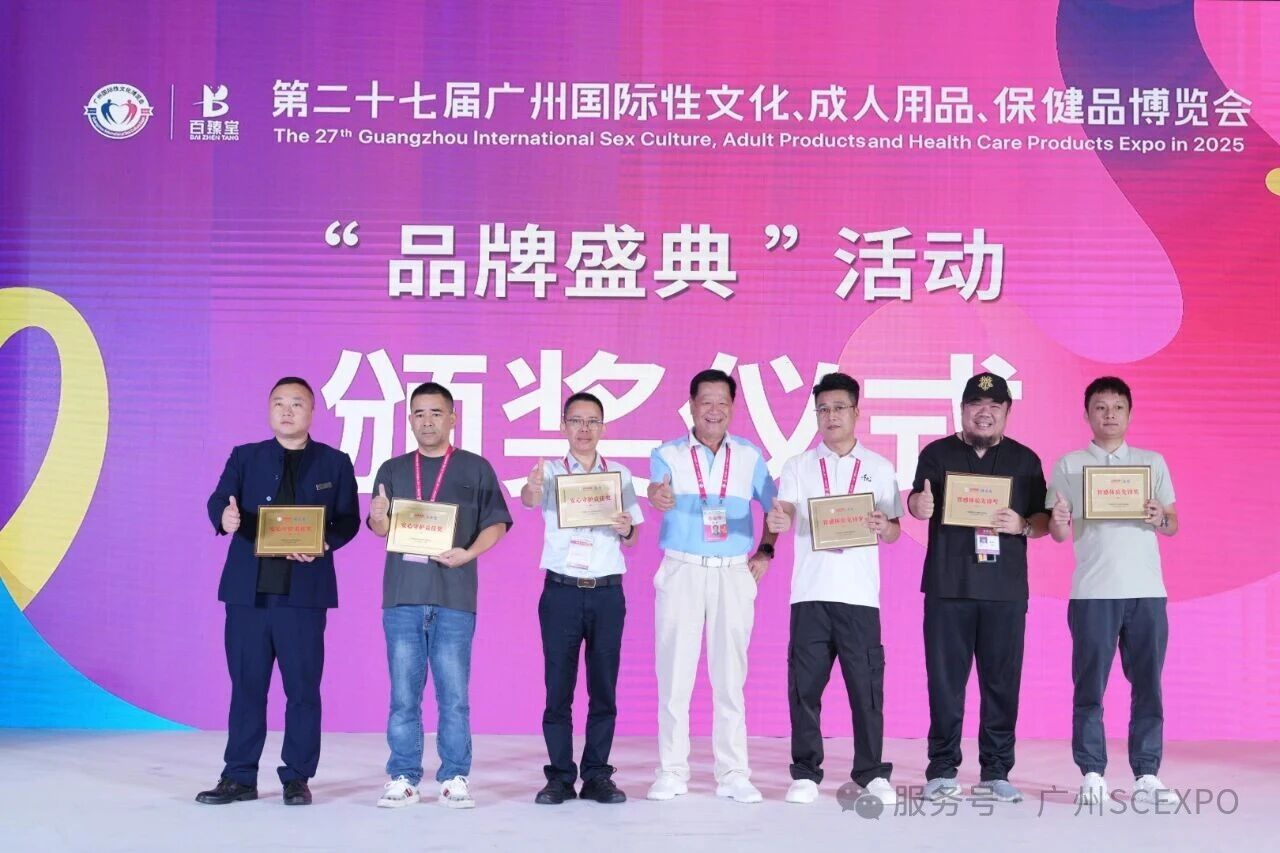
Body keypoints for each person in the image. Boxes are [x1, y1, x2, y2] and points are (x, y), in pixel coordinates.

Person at [196, 376, 360, 807]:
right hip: (249, 595)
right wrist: (224, 518)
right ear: (269, 410)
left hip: (303, 596)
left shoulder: (334, 462)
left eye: (297, 404)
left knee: (302, 689)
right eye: (279, 403)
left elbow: (348, 520)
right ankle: (239, 776)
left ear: (312, 412)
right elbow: (218, 501)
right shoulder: (245, 457)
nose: (287, 411)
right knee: (246, 687)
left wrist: (323, 542)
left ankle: (297, 777)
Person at [367, 382, 512, 810]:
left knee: (454, 697)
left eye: (435, 413)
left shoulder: (475, 467)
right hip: (403, 597)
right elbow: (380, 529)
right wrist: (378, 517)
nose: (427, 421)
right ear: (410, 420)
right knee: (403, 697)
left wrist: (468, 553)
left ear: (452, 418)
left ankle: (454, 776)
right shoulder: (392, 469)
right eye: (419, 413)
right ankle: (403, 776)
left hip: (454, 597)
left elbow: (497, 523)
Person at [907, 372, 1048, 803]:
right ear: (962, 410)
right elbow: (916, 500)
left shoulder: (1025, 460)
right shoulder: (937, 454)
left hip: (1005, 591)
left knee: (1002, 684)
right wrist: (918, 505)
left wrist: (1023, 524)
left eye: (994, 406)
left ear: (1007, 412)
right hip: (949, 587)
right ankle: (942, 769)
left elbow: (1042, 519)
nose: (984, 413)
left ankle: (996, 771)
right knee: (945, 683)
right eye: (975, 405)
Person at [645, 368, 778, 804]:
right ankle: (671, 770)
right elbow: (657, 490)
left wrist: (766, 550)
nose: (714, 410)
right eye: (706, 401)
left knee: (730, 678)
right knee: (674, 675)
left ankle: (734, 772)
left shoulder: (749, 456)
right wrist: (658, 496)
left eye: (723, 402)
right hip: (682, 570)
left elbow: (776, 508)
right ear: (691, 406)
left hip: (732, 572)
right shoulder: (667, 453)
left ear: (733, 407)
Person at [767, 372, 900, 806]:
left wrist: (884, 525)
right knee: (804, 688)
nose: (831, 416)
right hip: (810, 593)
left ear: (856, 412)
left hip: (859, 596)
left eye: (839, 407)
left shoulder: (879, 467)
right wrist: (779, 522)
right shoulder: (798, 465)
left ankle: (871, 772)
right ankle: (806, 773)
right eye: (822, 409)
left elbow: (894, 530)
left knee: (867, 691)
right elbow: (785, 511)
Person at [1046, 376, 1179, 806]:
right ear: (1086, 414)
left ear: (1129, 414)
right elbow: (1058, 533)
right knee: (1089, 686)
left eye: (1118, 407)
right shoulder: (1069, 465)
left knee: (1148, 685)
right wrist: (1059, 521)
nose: (1109, 415)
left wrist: (1159, 516)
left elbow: (1172, 524)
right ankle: (1092, 772)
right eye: (1100, 407)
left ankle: (1147, 773)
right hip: (1092, 592)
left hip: (1146, 591)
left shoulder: (1151, 463)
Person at [520, 392, 644, 805]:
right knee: (558, 689)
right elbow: (528, 500)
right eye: (576, 420)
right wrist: (531, 488)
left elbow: (634, 536)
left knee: (603, 688)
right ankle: (559, 777)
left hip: (607, 593)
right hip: (562, 591)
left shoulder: (619, 474)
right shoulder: (550, 472)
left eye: (592, 421)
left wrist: (627, 528)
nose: (584, 429)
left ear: (603, 428)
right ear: (564, 426)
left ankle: (596, 775)